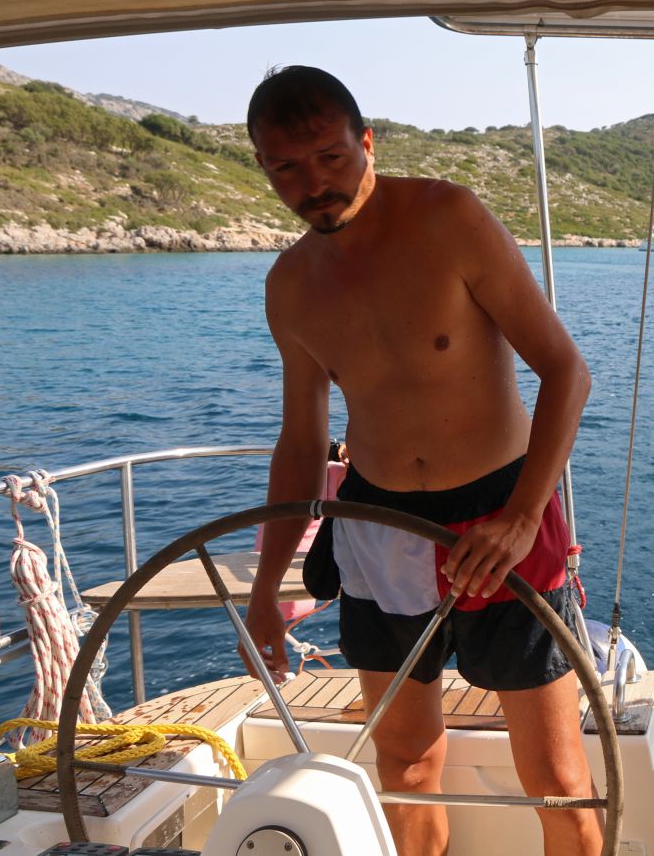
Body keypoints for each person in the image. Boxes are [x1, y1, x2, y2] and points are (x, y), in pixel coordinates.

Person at [240, 66, 599, 856]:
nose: (314, 184)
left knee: (558, 779)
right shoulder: (290, 286)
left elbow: (566, 371)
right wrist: (266, 589)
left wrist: (522, 517)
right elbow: (301, 443)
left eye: (331, 157)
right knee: (405, 761)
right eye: (287, 168)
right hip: (378, 529)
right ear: (263, 168)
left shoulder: (449, 218)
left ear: (367, 142)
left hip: (502, 517)